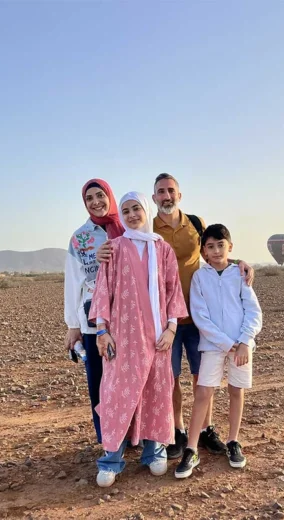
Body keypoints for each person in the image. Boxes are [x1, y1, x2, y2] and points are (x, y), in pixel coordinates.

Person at [97, 173, 256, 459]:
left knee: (201, 377)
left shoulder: (196, 224)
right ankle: (178, 431)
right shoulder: (147, 226)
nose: (166, 196)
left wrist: (237, 263)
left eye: (171, 190)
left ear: (179, 195)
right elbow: (120, 251)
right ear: (153, 197)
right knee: (169, 377)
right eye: (160, 191)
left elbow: (215, 250)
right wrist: (102, 253)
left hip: (198, 317)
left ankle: (207, 429)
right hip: (161, 321)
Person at [88, 191, 189, 488]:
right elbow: (103, 290)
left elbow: (172, 290)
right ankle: (111, 459)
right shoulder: (114, 248)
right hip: (123, 336)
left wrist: (171, 329)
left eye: (137, 209)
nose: (132, 215)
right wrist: (102, 331)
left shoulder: (163, 249)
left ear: (146, 211)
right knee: (116, 392)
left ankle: (153, 450)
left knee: (155, 391)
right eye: (126, 210)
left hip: (158, 338)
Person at [175, 224, 263, 478]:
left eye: (220, 245)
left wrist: (245, 341)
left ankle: (233, 441)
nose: (216, 251)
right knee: (204, 391)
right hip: (214, 345)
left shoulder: (240, 274)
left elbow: (253, 311)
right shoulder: (200, 277)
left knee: (236, 390)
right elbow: (200, 317)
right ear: (203, 251)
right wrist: (227, 343)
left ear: (230, 247)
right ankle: (191, 448)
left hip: (242, 346)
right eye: (210, 247)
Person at [64, 178, 126, 444]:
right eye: (89, 199)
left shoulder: (128, 229)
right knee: (99, 383)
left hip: (128, 320)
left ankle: (132, 434)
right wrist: (72, 325)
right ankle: (108, 439)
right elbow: (73, 281)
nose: (96, 202)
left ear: (110, 196)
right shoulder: (80, 238)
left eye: (100, 195)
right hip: (93, 324)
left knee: (127, 379)